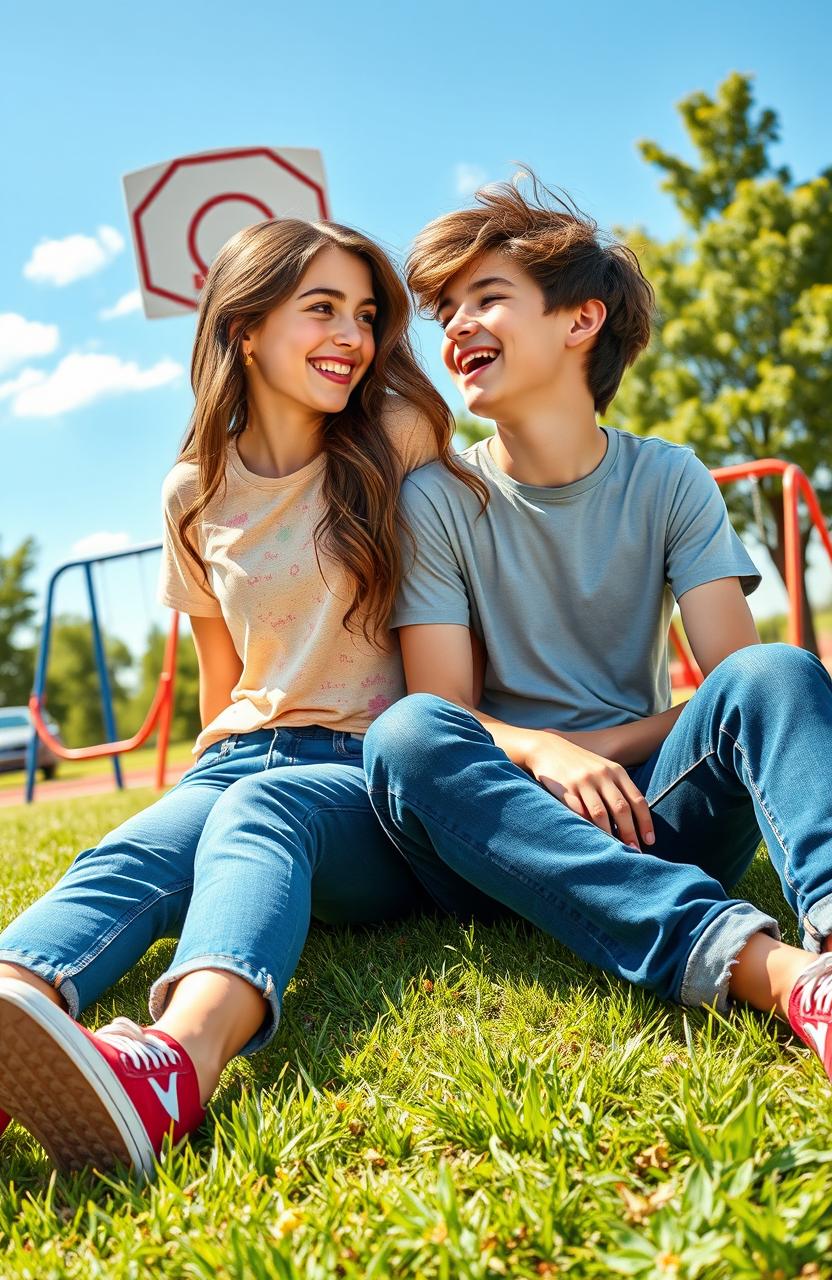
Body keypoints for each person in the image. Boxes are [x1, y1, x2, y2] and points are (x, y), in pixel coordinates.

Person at [0, 216, 483, 1175]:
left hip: (369, 776)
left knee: (265, 809)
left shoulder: (398, 433)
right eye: (320, 310)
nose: (351, 335)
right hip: (239, 755)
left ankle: (177, 1063)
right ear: (244, 329)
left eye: (363, 313)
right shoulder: (192, 489)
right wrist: (186, 794)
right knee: (130, 853)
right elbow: (224, 683)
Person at [363, 173, 832, 1085]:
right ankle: (766, 971)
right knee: (407, 735)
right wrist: (547, 754)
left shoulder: (669, 479)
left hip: (650, 808)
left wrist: (603, 750)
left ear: (580, 322)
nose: (456, 325)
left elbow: (737, 687)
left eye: (487, 298)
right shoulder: (437, 498)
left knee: (777, 670)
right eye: (447, 308)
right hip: (504, 832)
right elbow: (445, 710)